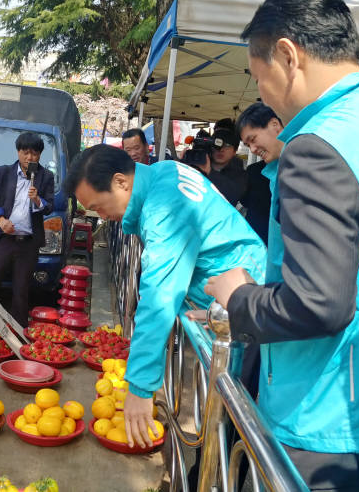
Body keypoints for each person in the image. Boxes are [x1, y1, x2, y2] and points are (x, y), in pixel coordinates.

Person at [204, 0, 359, 491]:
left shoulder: (319, 145)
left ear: (287, 56)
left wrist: (240, 299)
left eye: (259, 77)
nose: (263, 94)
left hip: (333, 424)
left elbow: (318, 304)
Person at [63, 145, 266, 449]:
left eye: (100, 206)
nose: (102, 216)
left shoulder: (163, 207)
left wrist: (140, 387)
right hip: (231, 302)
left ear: (121, 182)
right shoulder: (164, 172)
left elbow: (158, 295)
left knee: (228, 426)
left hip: (246, 314)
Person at [0, 132, 55, 327]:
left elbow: (50, 206)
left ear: (40, 155)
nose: (30, 158)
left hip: (28, 243)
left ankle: (19, 334)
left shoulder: (45, 176)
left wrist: (38, 200)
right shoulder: (3, 172)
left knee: (21, 290)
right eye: (25, 152)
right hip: (4, 240)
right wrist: (1, 219)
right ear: (18, 152)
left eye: (34, 153)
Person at [236, 103, 285, 245]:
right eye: (247, 145)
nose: (252, 149)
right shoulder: (270, 171)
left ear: (274, 125)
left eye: (253, 140)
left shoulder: (306, 162)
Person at [210, 122, 247, 200]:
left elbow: (232, 195)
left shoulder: (240, 174)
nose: (221, 150)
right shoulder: (197, 161)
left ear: (235, 151)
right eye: (218, 145)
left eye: (227, 146)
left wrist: (208, 172)